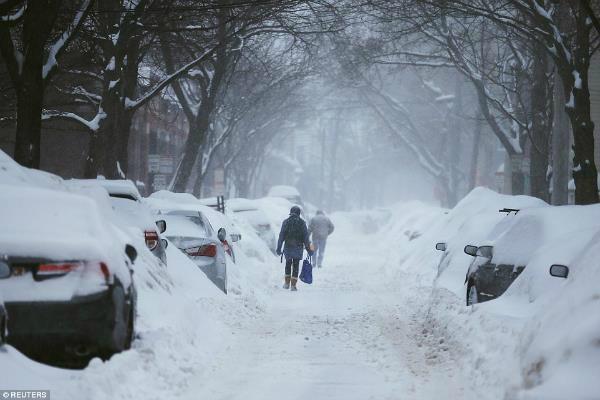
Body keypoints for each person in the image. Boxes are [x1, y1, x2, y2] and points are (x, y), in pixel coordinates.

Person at [276, 205, 311, 291]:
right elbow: (306, 238)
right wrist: (309, 249)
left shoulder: (286, 222)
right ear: (299, 213)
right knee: (296, 265)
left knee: (288, 264)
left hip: (288, 247)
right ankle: (293, 286)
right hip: (298, 248)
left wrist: (279, 248)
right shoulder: (302, 223)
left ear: (291, 213)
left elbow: (281, 236)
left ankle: (287, 283)